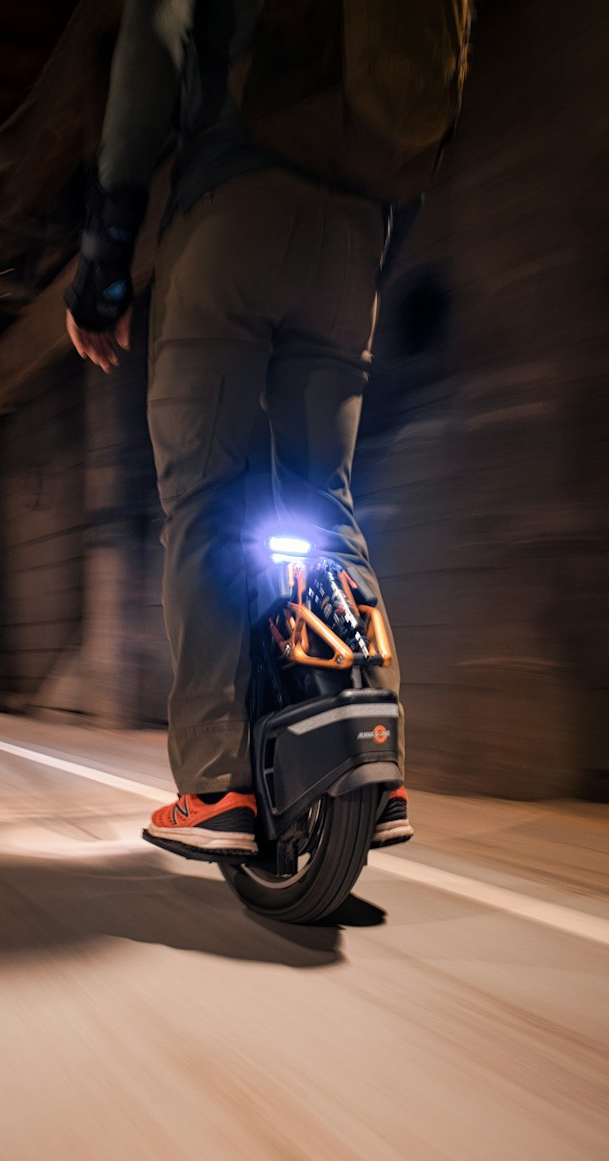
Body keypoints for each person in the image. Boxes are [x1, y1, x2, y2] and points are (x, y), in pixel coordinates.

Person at [65, 0, 413, 859]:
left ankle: (218, 785)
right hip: (355, 231)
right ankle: (379, 760)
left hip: (231, 206)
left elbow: (151, 36)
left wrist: (107, 251)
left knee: (204, 497)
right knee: (325, 493)